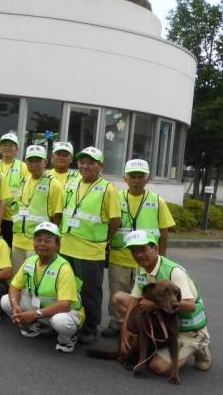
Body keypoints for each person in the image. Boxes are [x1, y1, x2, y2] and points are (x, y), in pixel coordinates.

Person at [112, 230, 212, 374]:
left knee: (158, 367)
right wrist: (125, 330)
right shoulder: (142, 268)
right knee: (119, 298)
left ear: (155, 249)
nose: (138, 255)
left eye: (143, 249)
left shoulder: (174, 271)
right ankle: (154, 338)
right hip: (167, 318)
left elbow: (190, 306)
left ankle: (200, 344)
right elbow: (134, 300)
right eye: (134, 251)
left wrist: (154, 305)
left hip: (187, 327)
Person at [102, 159, 176, 338]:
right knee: (117, 291)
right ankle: (117, 323)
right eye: (132, 176)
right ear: (125, 178)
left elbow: (164, 232)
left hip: (147, 261)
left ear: (147, 178)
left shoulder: (157, 201)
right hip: (119, 256)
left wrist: (162, 259)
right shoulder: (116, 198)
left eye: (140, 176)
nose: (136, 180)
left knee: (146, 296)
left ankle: (141, 325)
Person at [59, 146, 120, 344]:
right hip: (67, 246)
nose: (85, 166)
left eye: (90, 162)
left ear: (100, 166)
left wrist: (104, 240)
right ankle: (71, 321)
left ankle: (90, 327)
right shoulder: (73, 182)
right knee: (68, 288)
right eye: (82, 162)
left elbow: (114, 220)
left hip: (90, 250)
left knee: (90, 291)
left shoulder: (107, 188)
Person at [1, 222, 85, 353]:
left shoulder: (63, 268)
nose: (42, 244)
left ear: (57, 245)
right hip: (41, 308)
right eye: (38, 240)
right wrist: (15, 306)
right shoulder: (30, 261)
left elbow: (65, 305)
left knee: (60, 321)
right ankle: (36, 324)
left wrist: (34, 314)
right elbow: (14, 286)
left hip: (65, 312)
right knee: (6, 301)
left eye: (48, 240)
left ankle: (68, 337)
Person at [11, 145, 64, 272]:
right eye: (30, 160)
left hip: (38, 243)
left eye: (37, 160)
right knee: (16, 278)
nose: (33, 164)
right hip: (18, 241)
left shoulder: (53, 184)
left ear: (45, 162)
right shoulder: (24, 180)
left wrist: (52, 241)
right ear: (26, 162)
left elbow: (58, 215)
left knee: (33, 279)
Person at [0, 133, 29, 247]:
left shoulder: (23, 167)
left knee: (10, 248)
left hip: (13, 217)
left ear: (17, 149)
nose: (7, 147)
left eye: (11, 145)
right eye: (4, 144)